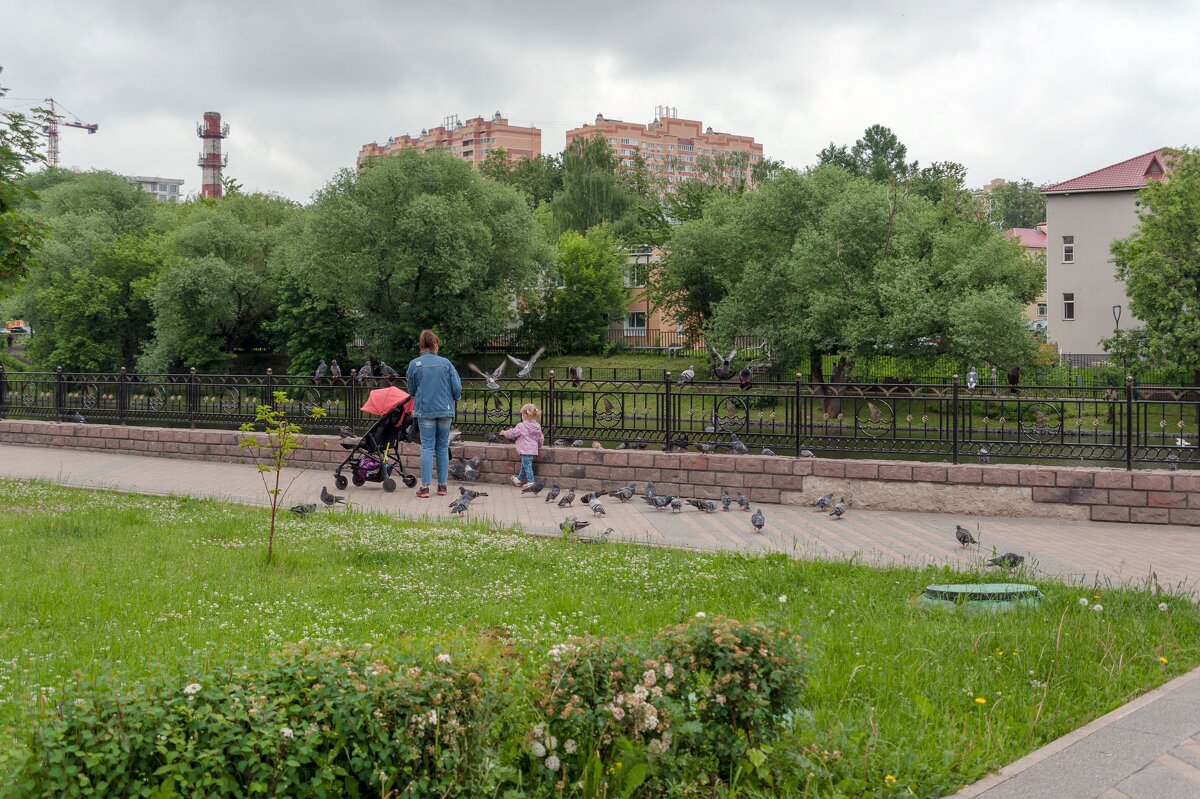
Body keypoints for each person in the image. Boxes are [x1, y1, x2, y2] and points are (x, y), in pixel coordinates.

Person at [405, 330, 461, 498]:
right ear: (435, 344)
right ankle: (442, 486)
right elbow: (457, 387)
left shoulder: (414, 364)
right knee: (443, 446)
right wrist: (454, 398)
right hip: (445, 410)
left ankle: (425, 487)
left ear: (422, 345)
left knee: (427, 446)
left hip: (426, 410)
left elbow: (412, 389)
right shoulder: (446, 363)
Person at [501, 403, 544, 487]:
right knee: (525, 465)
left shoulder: (521, 426)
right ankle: (519, 479)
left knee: (527, 466)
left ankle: (531, 481)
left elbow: (512, 433)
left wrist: (504, 433)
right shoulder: (537, 426)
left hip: (525, 450)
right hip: (534, 451)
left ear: (525, 415)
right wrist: (539, 445)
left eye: (521, 414)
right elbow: (540, 438)